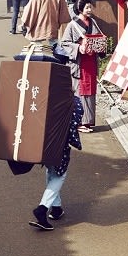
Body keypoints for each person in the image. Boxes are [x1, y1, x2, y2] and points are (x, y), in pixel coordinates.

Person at [29, 97, 84, 231]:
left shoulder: (45, 97)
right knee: (60, 175)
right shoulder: (73, 102)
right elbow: (73, 127)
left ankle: (57, 208)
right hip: (59, 145)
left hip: (43, 143)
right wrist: (76, 142)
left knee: (52, 172)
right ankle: (42, 208)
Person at [58, 0, 105, 132]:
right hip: (79, 62)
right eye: (87, 8)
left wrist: (100, 45)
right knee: (79, 91)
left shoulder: (93, 22)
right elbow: (65, 43)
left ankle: (88, 121)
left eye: (90, 7)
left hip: (90, 61)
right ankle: (79, 122)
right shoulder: (72, 25)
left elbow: (98, 37)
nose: (89, 10)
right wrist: (78, 48)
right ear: (80, 9)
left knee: (90, 92)